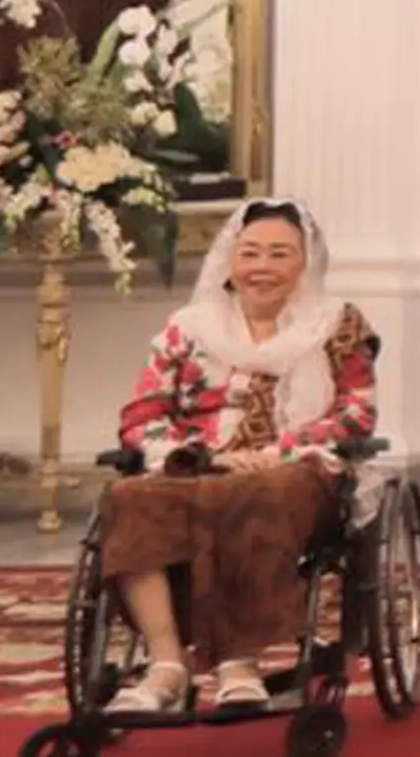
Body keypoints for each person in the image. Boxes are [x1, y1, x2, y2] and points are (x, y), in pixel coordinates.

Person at [97, 200, 375, 716]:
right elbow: (142, 412)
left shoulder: (336, 325)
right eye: (250, 253)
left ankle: (239, 662)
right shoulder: (188, 328)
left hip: (293, 470)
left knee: (254, 497)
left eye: (279, 254)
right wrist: (196, 455)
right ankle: (165, 665)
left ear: (305, 263)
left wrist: (277, 452)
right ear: (229, 260)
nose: (262, 267)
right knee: (129, 498)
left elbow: (357, 414)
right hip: (196, 466)